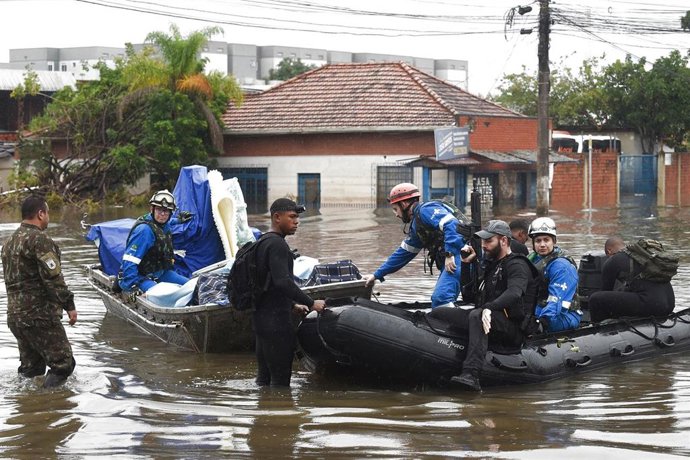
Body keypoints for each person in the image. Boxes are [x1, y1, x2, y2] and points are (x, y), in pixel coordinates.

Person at [450, 220, 538, 391]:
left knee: (477, 315)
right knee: (440, 313)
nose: (484, 246)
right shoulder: (491, 265)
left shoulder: (517, 264)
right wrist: (466, 264)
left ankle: (471, 374)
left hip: (512, 328)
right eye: (483, 241)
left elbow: (515, 292)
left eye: (489, 241)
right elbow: (468, 295)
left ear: (504, 241)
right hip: (489, 318)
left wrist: (489, 308)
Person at [1, 195, 77, 388]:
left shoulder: (9, 242)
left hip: (16, 317)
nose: (49, 217)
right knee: (63, 364)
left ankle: (28, 409)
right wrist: (69, 305)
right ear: (40, 214)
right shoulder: (39, 239)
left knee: (31, 369)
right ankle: (47, 405)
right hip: (39, 316)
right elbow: (53, 278)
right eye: (48, 212)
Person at [253, 198, 326, 386]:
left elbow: (266, 283)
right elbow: (283, 282)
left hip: (261, 321)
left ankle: (262, 414)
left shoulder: (262, 242)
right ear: (277, 217)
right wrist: (311, 303)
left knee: (263, 381)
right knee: (281, 386)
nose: (296, 222)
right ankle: (281, 414)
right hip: (276, 324)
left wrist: (293, 305)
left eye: (297, 218)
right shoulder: (277, 245)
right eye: (292, 217)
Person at [362, 183, 467, 308]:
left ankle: (456, 324)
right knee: (439, 299)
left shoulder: (426, 210)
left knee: (441, 299)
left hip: (461, 257)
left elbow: (451, 224)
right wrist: (376, 275)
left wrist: (449, 254)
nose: (396, 214)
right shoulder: (418, 225)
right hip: (454, 259)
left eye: (396, 209)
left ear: (404, 204)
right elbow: (403, 254)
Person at [118, 190, 192, 294]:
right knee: (162, 295)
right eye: (159, 209)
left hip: (160, 273)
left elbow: (168, 221)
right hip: (140, 277)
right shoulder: (144, 231)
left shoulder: (164, 224)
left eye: (166, 211)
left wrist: (179, 220)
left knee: (191, 286)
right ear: (152, 209)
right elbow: (130, 260)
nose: (162, 214)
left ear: (171, 213)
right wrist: (132, 286)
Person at [587, 243, 675, 322]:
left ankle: (597, 331)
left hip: (653, 304)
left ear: (608, 251)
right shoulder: (641, 256)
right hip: (669, 304)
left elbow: (604, 293)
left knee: (595, 299)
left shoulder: (612, 261)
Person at [527, 217, 581, 332]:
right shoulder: (533, 259)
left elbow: (556, 299)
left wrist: (542, 322)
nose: (542, 245)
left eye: (546, 240)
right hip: (540, 307)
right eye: (538, 241)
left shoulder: (561, 266)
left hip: (563, 315)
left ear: (554, 241)